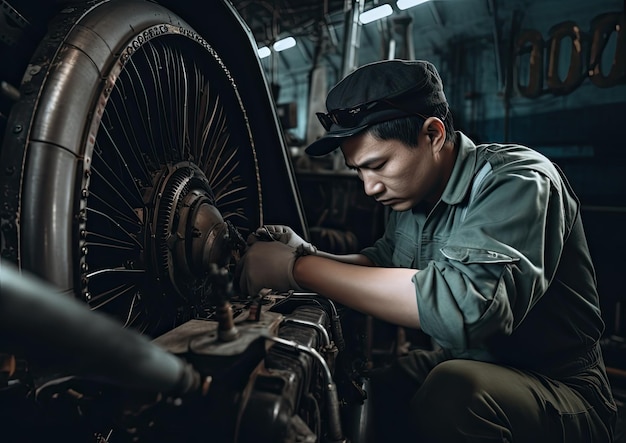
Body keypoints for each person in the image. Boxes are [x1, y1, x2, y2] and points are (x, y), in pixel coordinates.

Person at [237, 59, 617, 442]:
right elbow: (380, 266)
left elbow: (466, 310)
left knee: (452, 394)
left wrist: (296, 271)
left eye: (378, 165)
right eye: (358, 171)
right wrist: (306, 254)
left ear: (433, 135)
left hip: (560, 386)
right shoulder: (413, 196)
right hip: (473, 361)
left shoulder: (518, 180)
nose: (370, 187)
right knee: (366, 392)